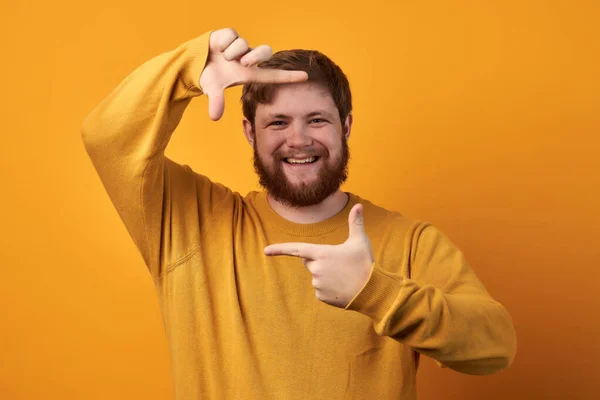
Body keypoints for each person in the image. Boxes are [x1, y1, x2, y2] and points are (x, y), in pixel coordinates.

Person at [81, 28, 517, 400]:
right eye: (277, 123)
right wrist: (186, 70)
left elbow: (496, 346)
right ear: (250, 131)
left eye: (317, 120)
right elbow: (106, 138)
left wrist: (377, 293)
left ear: (345, 127)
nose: (299, 139)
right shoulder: (188, 222)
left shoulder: (412, 242)